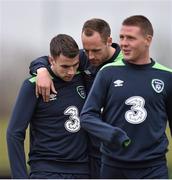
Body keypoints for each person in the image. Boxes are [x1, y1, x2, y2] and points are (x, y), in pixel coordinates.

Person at [29, 18, 123, 178]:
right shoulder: (84, 59)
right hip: (90, 155)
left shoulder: (125, 66)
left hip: (118, 152)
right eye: (86, 50)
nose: (90, 56)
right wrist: (41, 71)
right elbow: (51, 59)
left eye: (95, 50)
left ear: (109, 41)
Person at [80, 15, 172, 179]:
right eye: (122, 37)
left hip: (153, 169)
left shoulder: (166, 76)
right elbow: (87, 116)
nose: (124, 43)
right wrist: (112, 134)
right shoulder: (107, 73)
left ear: (147, 40)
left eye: (130, 38)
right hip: (113, 167)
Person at [6, 34, 90, 179]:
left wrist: (40, 68)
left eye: (75, 65)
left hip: (83, 172)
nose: (71, 71)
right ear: (51, 60)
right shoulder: (33, 85)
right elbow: (14, 133)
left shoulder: (84, 75)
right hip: (46, 172)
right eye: (65, 66)